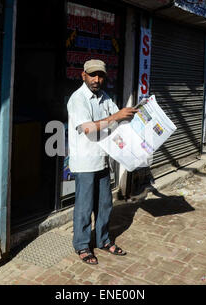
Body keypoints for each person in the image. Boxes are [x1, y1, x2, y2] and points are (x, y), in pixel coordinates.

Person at [67, 59, 138, 265]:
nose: (96, 79)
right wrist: (117, 115)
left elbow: (117, 119)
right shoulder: (78, 99)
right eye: (92, 75)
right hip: (85, 161)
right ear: (83, 75)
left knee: (105, 204)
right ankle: (81, 245)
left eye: (100, 76)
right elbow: (88, 128)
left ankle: (103, 240)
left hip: (102, 159)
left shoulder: (104, 97)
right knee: (84, 206)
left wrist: (135, 116)